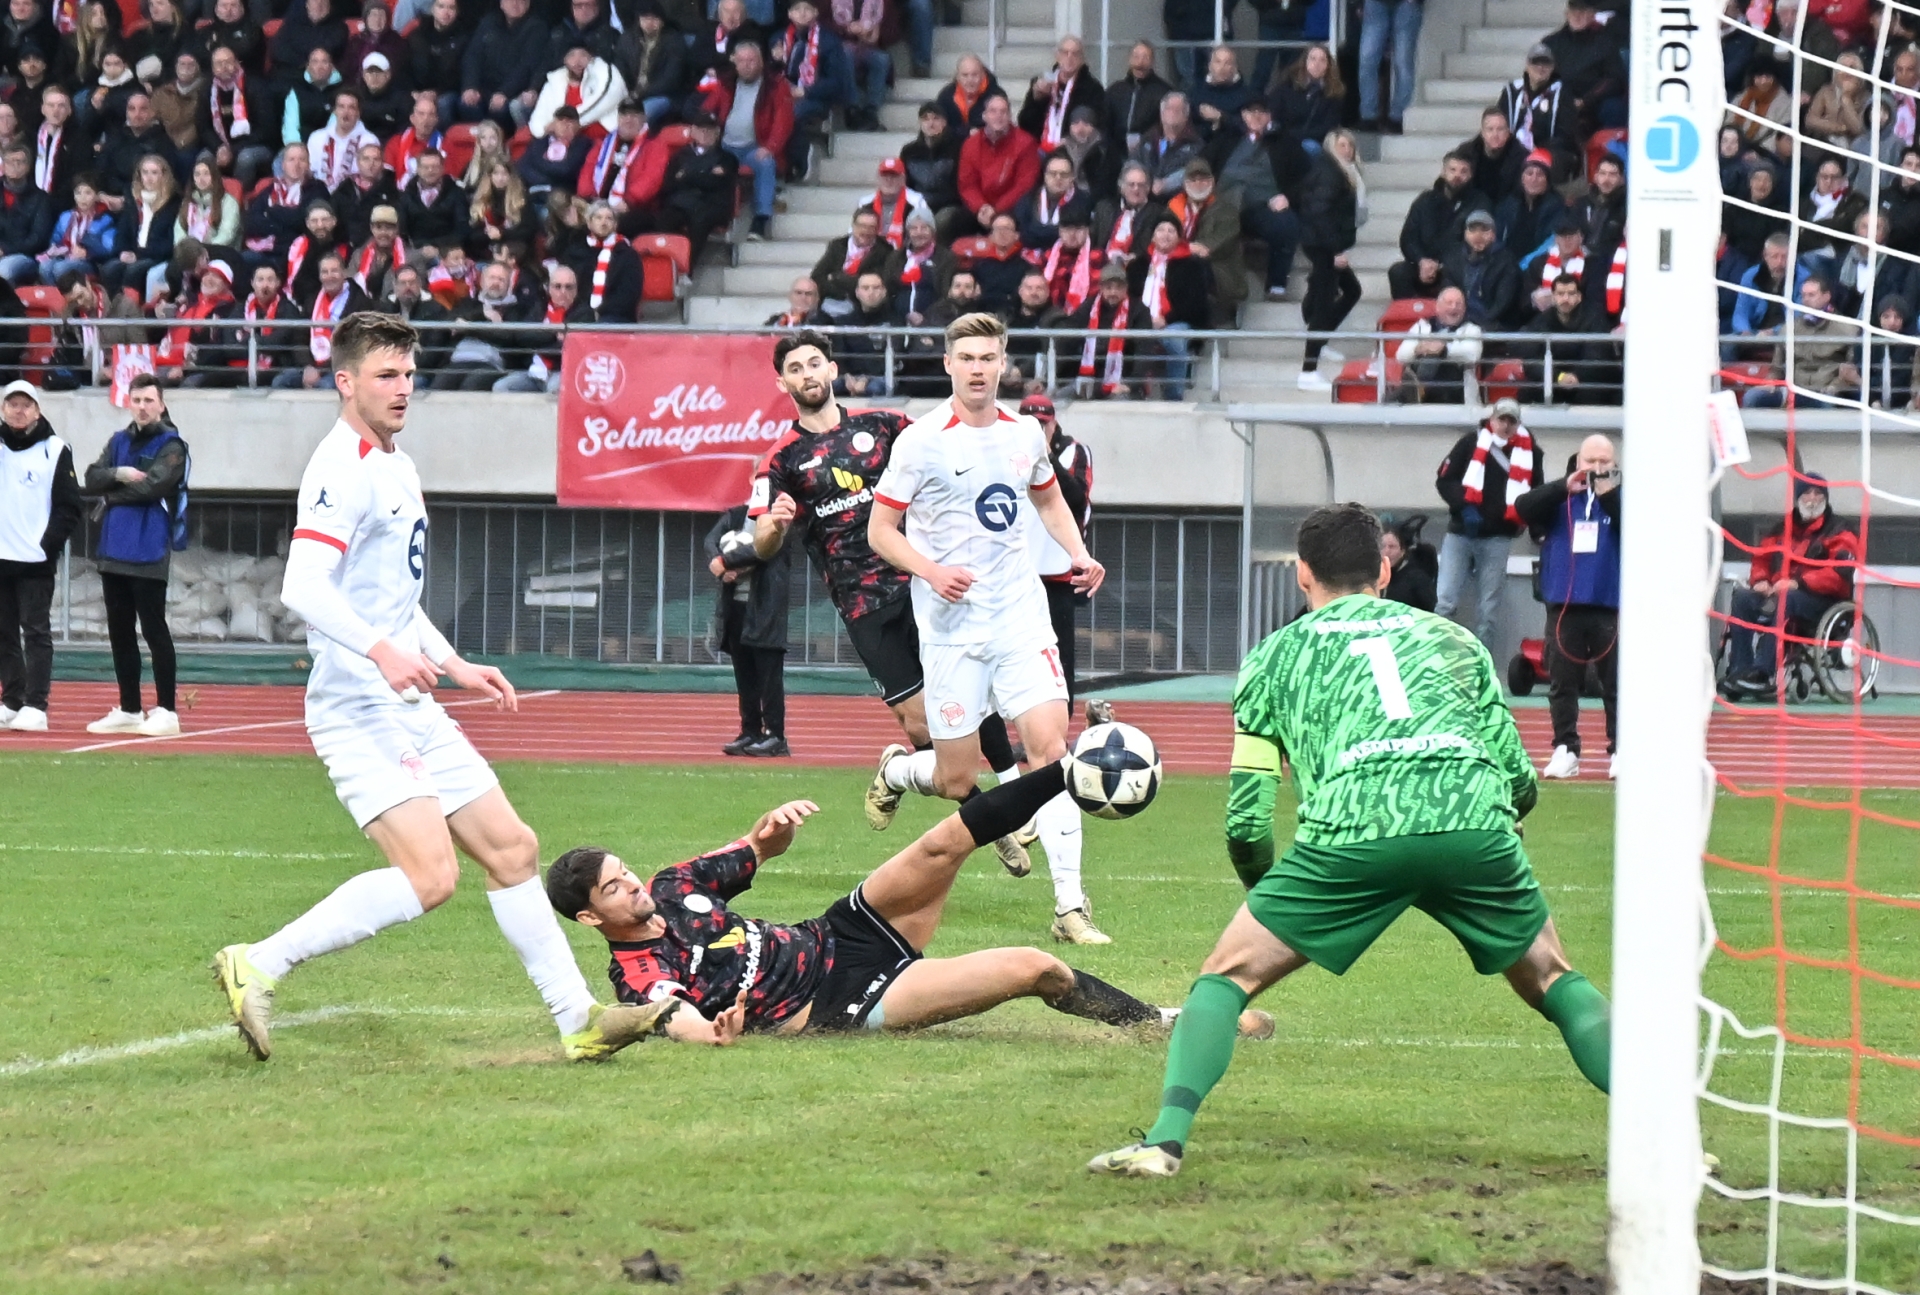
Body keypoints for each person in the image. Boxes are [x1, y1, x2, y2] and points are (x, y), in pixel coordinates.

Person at [1086, 502, 1608, 1178]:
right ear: (1384, 571)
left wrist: (1268, 891)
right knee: (1554, 977)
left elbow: (1247, 817)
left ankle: (1163, 1143)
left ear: (1303, 574)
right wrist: (1490, 817)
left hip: (1352, 833)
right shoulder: (1457, 642)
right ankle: (1669, 1142)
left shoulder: (1273, 657)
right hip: (1472, 825)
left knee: (1224, 978)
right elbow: (1518, 778)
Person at [211, 314, 657, 1065]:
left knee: (512, 848)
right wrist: (382, 652)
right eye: (386, 375)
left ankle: (578, 1019)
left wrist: (451, 661)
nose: (403, 389)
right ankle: (257, 961)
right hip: (356, 705)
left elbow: (395, 599)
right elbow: (303, 585)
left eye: (409, 374)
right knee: (431, 876)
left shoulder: (397, 463)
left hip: (407, 698)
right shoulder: (340, 467)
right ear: (345, 381)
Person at [546, 774, 1274, 1040]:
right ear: (590, 919)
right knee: (1035, 967)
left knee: (942, 842)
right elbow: (672, 1018)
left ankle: (1067, 766)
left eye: (625, 872)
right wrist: (712, 1034)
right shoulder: (639, 974)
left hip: (835, 933)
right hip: (838, 998)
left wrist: (772, 832)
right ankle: (1163, 1024)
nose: (633, 885)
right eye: (614, 888)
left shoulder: (674, 886)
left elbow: (758, 849)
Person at [868, 312, 1114, 944]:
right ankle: (897, 772)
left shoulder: (1025, 433)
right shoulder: (920, 441)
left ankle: (1070, 907)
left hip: (1019, 619)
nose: (978, 369)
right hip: (951, 630)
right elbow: (880, 531)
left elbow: (1048, 498)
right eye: (967, 358)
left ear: (1003, 364)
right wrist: (930, 570)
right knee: (955, 778)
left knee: (1050, 753)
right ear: (948, 365)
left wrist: (1078, 553)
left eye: (988, 358)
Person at [748, 331, 1033, 875]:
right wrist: (775, 526)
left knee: (973, 698)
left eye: (814, 363)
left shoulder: (885, 426)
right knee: (923, 728)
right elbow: (761, 542)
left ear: (832, 369)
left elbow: (946, 448)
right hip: (863, 606)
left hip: (923, 581)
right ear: (782, 383)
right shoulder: (780, 460)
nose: (807, 374)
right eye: (795, 368)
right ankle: (984, 816)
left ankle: (1011, 805)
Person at [79, 374, 186, 737]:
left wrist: (111, 495)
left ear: (161, 405)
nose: (142, 407)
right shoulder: (118, 441)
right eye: (136, 400)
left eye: (149, 401)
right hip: (113, 549)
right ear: (129, 403)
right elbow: (92, 477)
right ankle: (129, 708)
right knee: (120, 632)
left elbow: (153, 487)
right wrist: (119, 473)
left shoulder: (173, 445)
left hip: (149, 549)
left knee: (155, 630)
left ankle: (167, 710)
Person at [1515, 435, 1619, 780]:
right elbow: (1523, 507)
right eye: (1591, 461)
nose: (1598, 468)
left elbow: (1638, 527)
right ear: (1578, 462)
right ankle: (1565, 748)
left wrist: (1609, 494)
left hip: (1608, 604)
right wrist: (1563, 486)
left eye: (1605, 461)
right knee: (1562, 682)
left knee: (1615, 683)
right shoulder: (1559, 499)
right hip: (1564, 604)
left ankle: (1620, 749)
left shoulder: (1624, 498)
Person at [1722, 475, 1861, 697]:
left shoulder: (1841, 530)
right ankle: (1740, 670)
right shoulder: (1781, 528)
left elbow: (1840, 573)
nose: (1812, 499)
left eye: (1818, 493)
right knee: (1742, 598)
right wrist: (1761, 580)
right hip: (1780, 594)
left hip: (1823, 601)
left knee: (1788, 598)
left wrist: (1799, 583)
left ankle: (1762, 673)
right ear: (1797, 497)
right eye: (1807, 493)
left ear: (1826, 498)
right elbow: (1761, 559)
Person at [0, 378, 79, 733]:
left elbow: (69, 507)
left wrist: (46, 547)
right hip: (1, 557)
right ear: (3, 409)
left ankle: (36, 704)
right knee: (3, 634)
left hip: (34, 561)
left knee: (35, 633)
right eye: (12, 404)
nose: (19, 411)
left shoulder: (55, 449)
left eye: (25, 405)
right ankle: (12, 699)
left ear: (37, 410)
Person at [1433, 397, 1534, 651]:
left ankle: (1482, 662)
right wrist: (1463, 506)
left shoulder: (1530, 452)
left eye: (1511, 421)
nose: (1506, 425)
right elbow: (1445, 480)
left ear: (1518, 424)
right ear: (1492, 420)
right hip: (1461, 533)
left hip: (1498, 536)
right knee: (1445, 602)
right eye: (1502, 419)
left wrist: (1522, 520)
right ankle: (1439, 656)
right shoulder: (1469, 443)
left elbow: (1535, 491)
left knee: (1488, 611)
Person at [1016, 393, 1094, 703]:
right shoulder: (1004, 449)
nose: (1037, 430)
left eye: (1043, 425)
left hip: (1057, 574)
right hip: (1016, 572)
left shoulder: (1074, 452)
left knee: (1060, 655)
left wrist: (1046, 456)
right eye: (1031, 424)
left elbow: (1077, 498)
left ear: (1053, 424)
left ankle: (1060, 719)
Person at [708, 502, 790, 757]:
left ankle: (775, 736)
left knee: (768, 675)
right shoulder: (735, 515)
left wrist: (726, 561)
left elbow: (763, 549)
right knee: (744, 674)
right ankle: (750, 731)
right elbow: (710, 540)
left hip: (765, 609)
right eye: (757, 482)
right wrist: (718, 564)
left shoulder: (779, 517)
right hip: (736, 608)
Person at [1205, 97, 1305, 303]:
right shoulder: (1227, 139)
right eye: (1251, 111)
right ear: (1243, 115)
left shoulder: (1285, 142)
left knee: (1286, 224)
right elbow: (1201, 164)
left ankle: (1277, 285)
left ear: (1269, 116)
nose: (1256, 116)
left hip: (1261, 207)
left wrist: (1288, 197)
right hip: (1223, 204)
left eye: (1262, 112)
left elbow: (1308, 179)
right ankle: (1216, 292)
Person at [1295, 129, 1363, 389]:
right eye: (1341, 145)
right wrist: (1335, 250)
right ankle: (1308, 371)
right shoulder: (1331, 174)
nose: (1347, 150)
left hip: (1320, 242)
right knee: (1323, 305)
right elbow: (1320, 212)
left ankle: (1320, 341)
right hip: (1323, 246)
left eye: (1350, 145)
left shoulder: (1336, 171)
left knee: (1352, 290)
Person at [1387, 151, 1486, 301]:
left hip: (1458, 267)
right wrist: (1421, 260)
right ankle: (1409, 315)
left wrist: (1442, 265)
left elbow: (1476, 242)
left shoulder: (1479, 203)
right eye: (1452, 170)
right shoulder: (1425, 200)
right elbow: (1408, 238)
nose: (1457, 175)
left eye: (1463, 171)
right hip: (1424, 264)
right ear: (1443, 172)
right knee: (1398, 272)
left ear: (1471, 175)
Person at [956, 91, 1038, 237]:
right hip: (981, 209)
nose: (998, 116)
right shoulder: (970, 145)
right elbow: (967, 184)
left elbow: (1024, 185)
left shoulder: (1026, 143)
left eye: (1003, 112)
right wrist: (981, 207)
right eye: (993, 111)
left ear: (1010, 116)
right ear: (984, 116)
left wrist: (997, 210)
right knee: (956, 221)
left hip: (1011, 207)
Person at [1071, 259, 1147, 398]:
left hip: (1124, 381)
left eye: (1118, 288)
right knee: (1062, 396)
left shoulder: (1139, 310)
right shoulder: (1089, 305)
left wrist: (1130, 384)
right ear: (1100, 288)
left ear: (1126, 288)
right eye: (1109, 287)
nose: (1113, 292)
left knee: (1119, 402)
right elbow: (1071, 331)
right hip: (1089, 379)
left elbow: (1144, 350)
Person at [1393, 284, 1482, 403]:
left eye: (1458, 304)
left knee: (1433, 355)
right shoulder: (1421, 326)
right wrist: (1418, 349)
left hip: (1454, 391)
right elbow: (1400, 355)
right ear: (1438, 307)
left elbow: (1472, 354)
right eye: (1449, 303)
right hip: (1429, 388)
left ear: (1464, 309)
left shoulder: (1472, 329)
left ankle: (1416, 389)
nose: (1454, 307)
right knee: (1429, 356)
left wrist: (1443, 349)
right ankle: (1417, 389)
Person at [1356, 0, 1423, 132]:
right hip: (1375, 3)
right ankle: (1369, 116)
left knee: (1403, 62)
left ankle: (1398, 117)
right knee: (1367, 60)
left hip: (1407, 5)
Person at [1381, 517, 1436, 610]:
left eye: (1392, 547)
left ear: (1403, 550)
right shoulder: (1372, 575)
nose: (1386, 552)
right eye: (1382, 546)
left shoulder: (1417, 579)